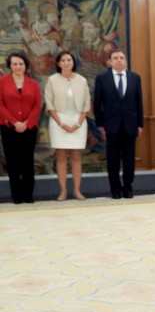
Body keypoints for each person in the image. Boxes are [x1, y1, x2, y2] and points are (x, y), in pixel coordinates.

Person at [94, 50, 144, 199]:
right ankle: (115, 189)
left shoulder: (135, 78)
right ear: (110, 62)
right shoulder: (102, 78)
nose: (119, 60)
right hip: (111, 125)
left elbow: (139, 102)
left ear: (126, 61)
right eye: (115, 58)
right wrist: (100, 124)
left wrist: (140, 124)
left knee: (129, 159)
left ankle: (128, 187)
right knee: (113, 160)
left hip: (130, 125)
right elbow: (97, 103)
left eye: (122, 58)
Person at [44, 50, 91, 201]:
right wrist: (61, 123)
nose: (66, 63)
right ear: (58, 63)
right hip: (59, 121)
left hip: (78, 121)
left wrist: (78, 123)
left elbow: (86, 104)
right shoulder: (52, 80)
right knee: (61, 156)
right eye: (63, 60)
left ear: (73, 62)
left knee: (76, 156)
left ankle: (77, 190)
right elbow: (49, 103)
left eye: (69, 60)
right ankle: (63, 191)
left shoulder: (82, 80)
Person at [0, 51, 41, 204]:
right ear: (10, 66)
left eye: (21, 64)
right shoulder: (2, 82)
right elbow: (0, 105)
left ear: (25, 65)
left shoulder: (34, 84)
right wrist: (14, 122)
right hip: (8, 128)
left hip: (29, 128)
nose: (18, 67)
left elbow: (37, 105)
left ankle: (28, 194)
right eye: (15, 64)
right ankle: (16, 195)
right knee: (12, 161)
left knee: (27, 161)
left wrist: (26, 123)